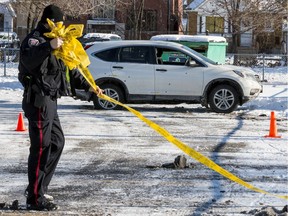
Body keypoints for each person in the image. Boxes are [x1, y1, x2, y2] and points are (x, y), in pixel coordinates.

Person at [18, 4, 102, 211]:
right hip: (37, 100)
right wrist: (49, 46)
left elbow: (70, 71)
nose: (61, 27)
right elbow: (28, 60)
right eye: (58, 23)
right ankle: (35, 198)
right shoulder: (36, 39)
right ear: (49, 21)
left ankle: (38, 188)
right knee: (41, 147)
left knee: (56, 141)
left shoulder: (59, 42)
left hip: (50, 100)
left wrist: (91, 87)